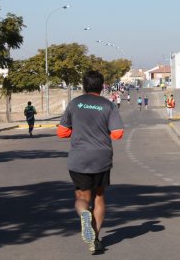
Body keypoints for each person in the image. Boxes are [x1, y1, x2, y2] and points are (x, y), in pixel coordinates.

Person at [57, 71, 125, 254]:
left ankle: (83, 214)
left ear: (84, 85)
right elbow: (118, 134)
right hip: (101, 158)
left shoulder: (74, 104)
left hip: (79, 159)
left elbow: (62, 132)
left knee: (82, 198)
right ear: (102, 85)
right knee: (99, 197)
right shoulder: (108, 105)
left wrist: (77, 131)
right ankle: (94, 240)